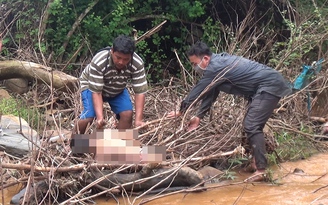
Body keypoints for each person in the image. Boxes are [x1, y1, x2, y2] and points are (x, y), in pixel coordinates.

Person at [167, 41, 292, 182]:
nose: (194, 67)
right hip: (261, 88)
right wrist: (199, 116)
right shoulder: (217, 66)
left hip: (269, 85)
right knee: (249, 126)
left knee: (251, 125)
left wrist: (181, 110)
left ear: (206, 59)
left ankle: (261, 170)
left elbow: (200, 88)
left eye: (195, 63)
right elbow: (210, 92)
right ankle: (255, 163)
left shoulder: (214, 67)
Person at [76, 35, 148, 134]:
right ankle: (73, 143)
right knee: (89, 116)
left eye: (126, 59)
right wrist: (100, 118)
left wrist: (138, 120)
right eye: (118, 57)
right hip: (91, 86)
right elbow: (96, 92)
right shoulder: (99, 61)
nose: (121, 62)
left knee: (127, 114)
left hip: (117, 88)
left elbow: (140, 92)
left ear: (131, 56)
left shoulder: (137, 63)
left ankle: (120, 145)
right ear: (112, 51)